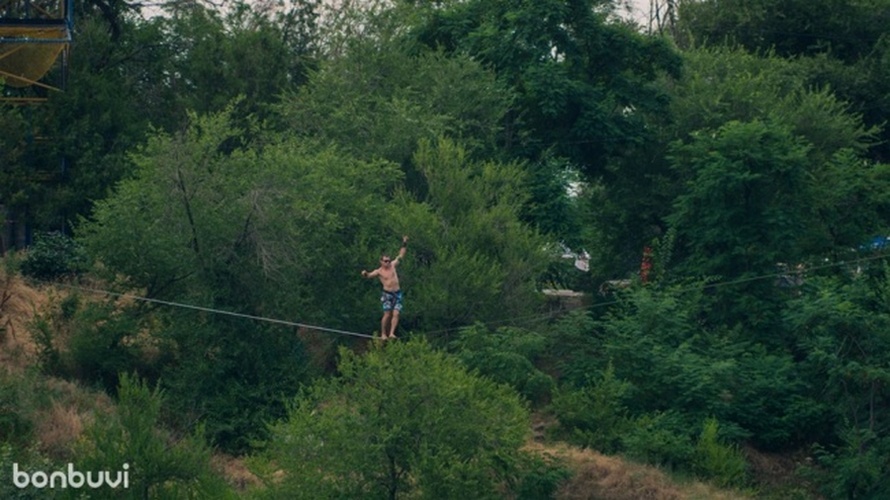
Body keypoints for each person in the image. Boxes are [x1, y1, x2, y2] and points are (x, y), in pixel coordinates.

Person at [361, 236, 408, 340]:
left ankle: (391, 333)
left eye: (388, 261)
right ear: (381, 262)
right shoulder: (379, 271)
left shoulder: (393, 265)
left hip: (397, 293)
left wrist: (404, 243)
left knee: (396, 313)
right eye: (385, 261)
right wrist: (365, 273)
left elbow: (401, 255)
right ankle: (383, 334)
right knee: (387, 314)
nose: (388, 262)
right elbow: (369, 275)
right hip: (387, 294)